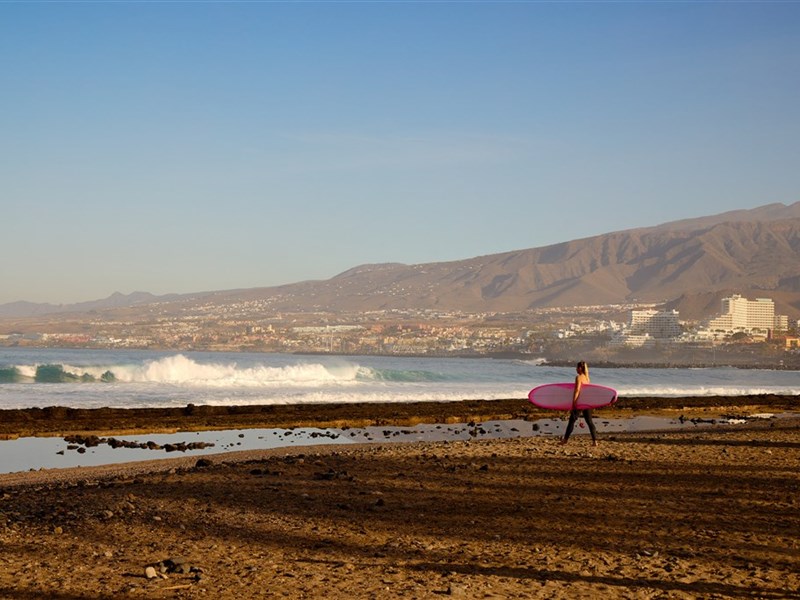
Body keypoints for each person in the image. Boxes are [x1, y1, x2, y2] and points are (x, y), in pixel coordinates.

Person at [560, 360, 597, 446]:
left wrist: (574, 402)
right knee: (590, 422)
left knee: (571, 421)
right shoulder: (587, 378)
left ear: (580, 368)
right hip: (586, 402)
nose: (576, 369)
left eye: (577, 367)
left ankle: (565, 440)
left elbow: (577, 390)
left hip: (579, 402)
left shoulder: (578, 377)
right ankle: (595, 441)